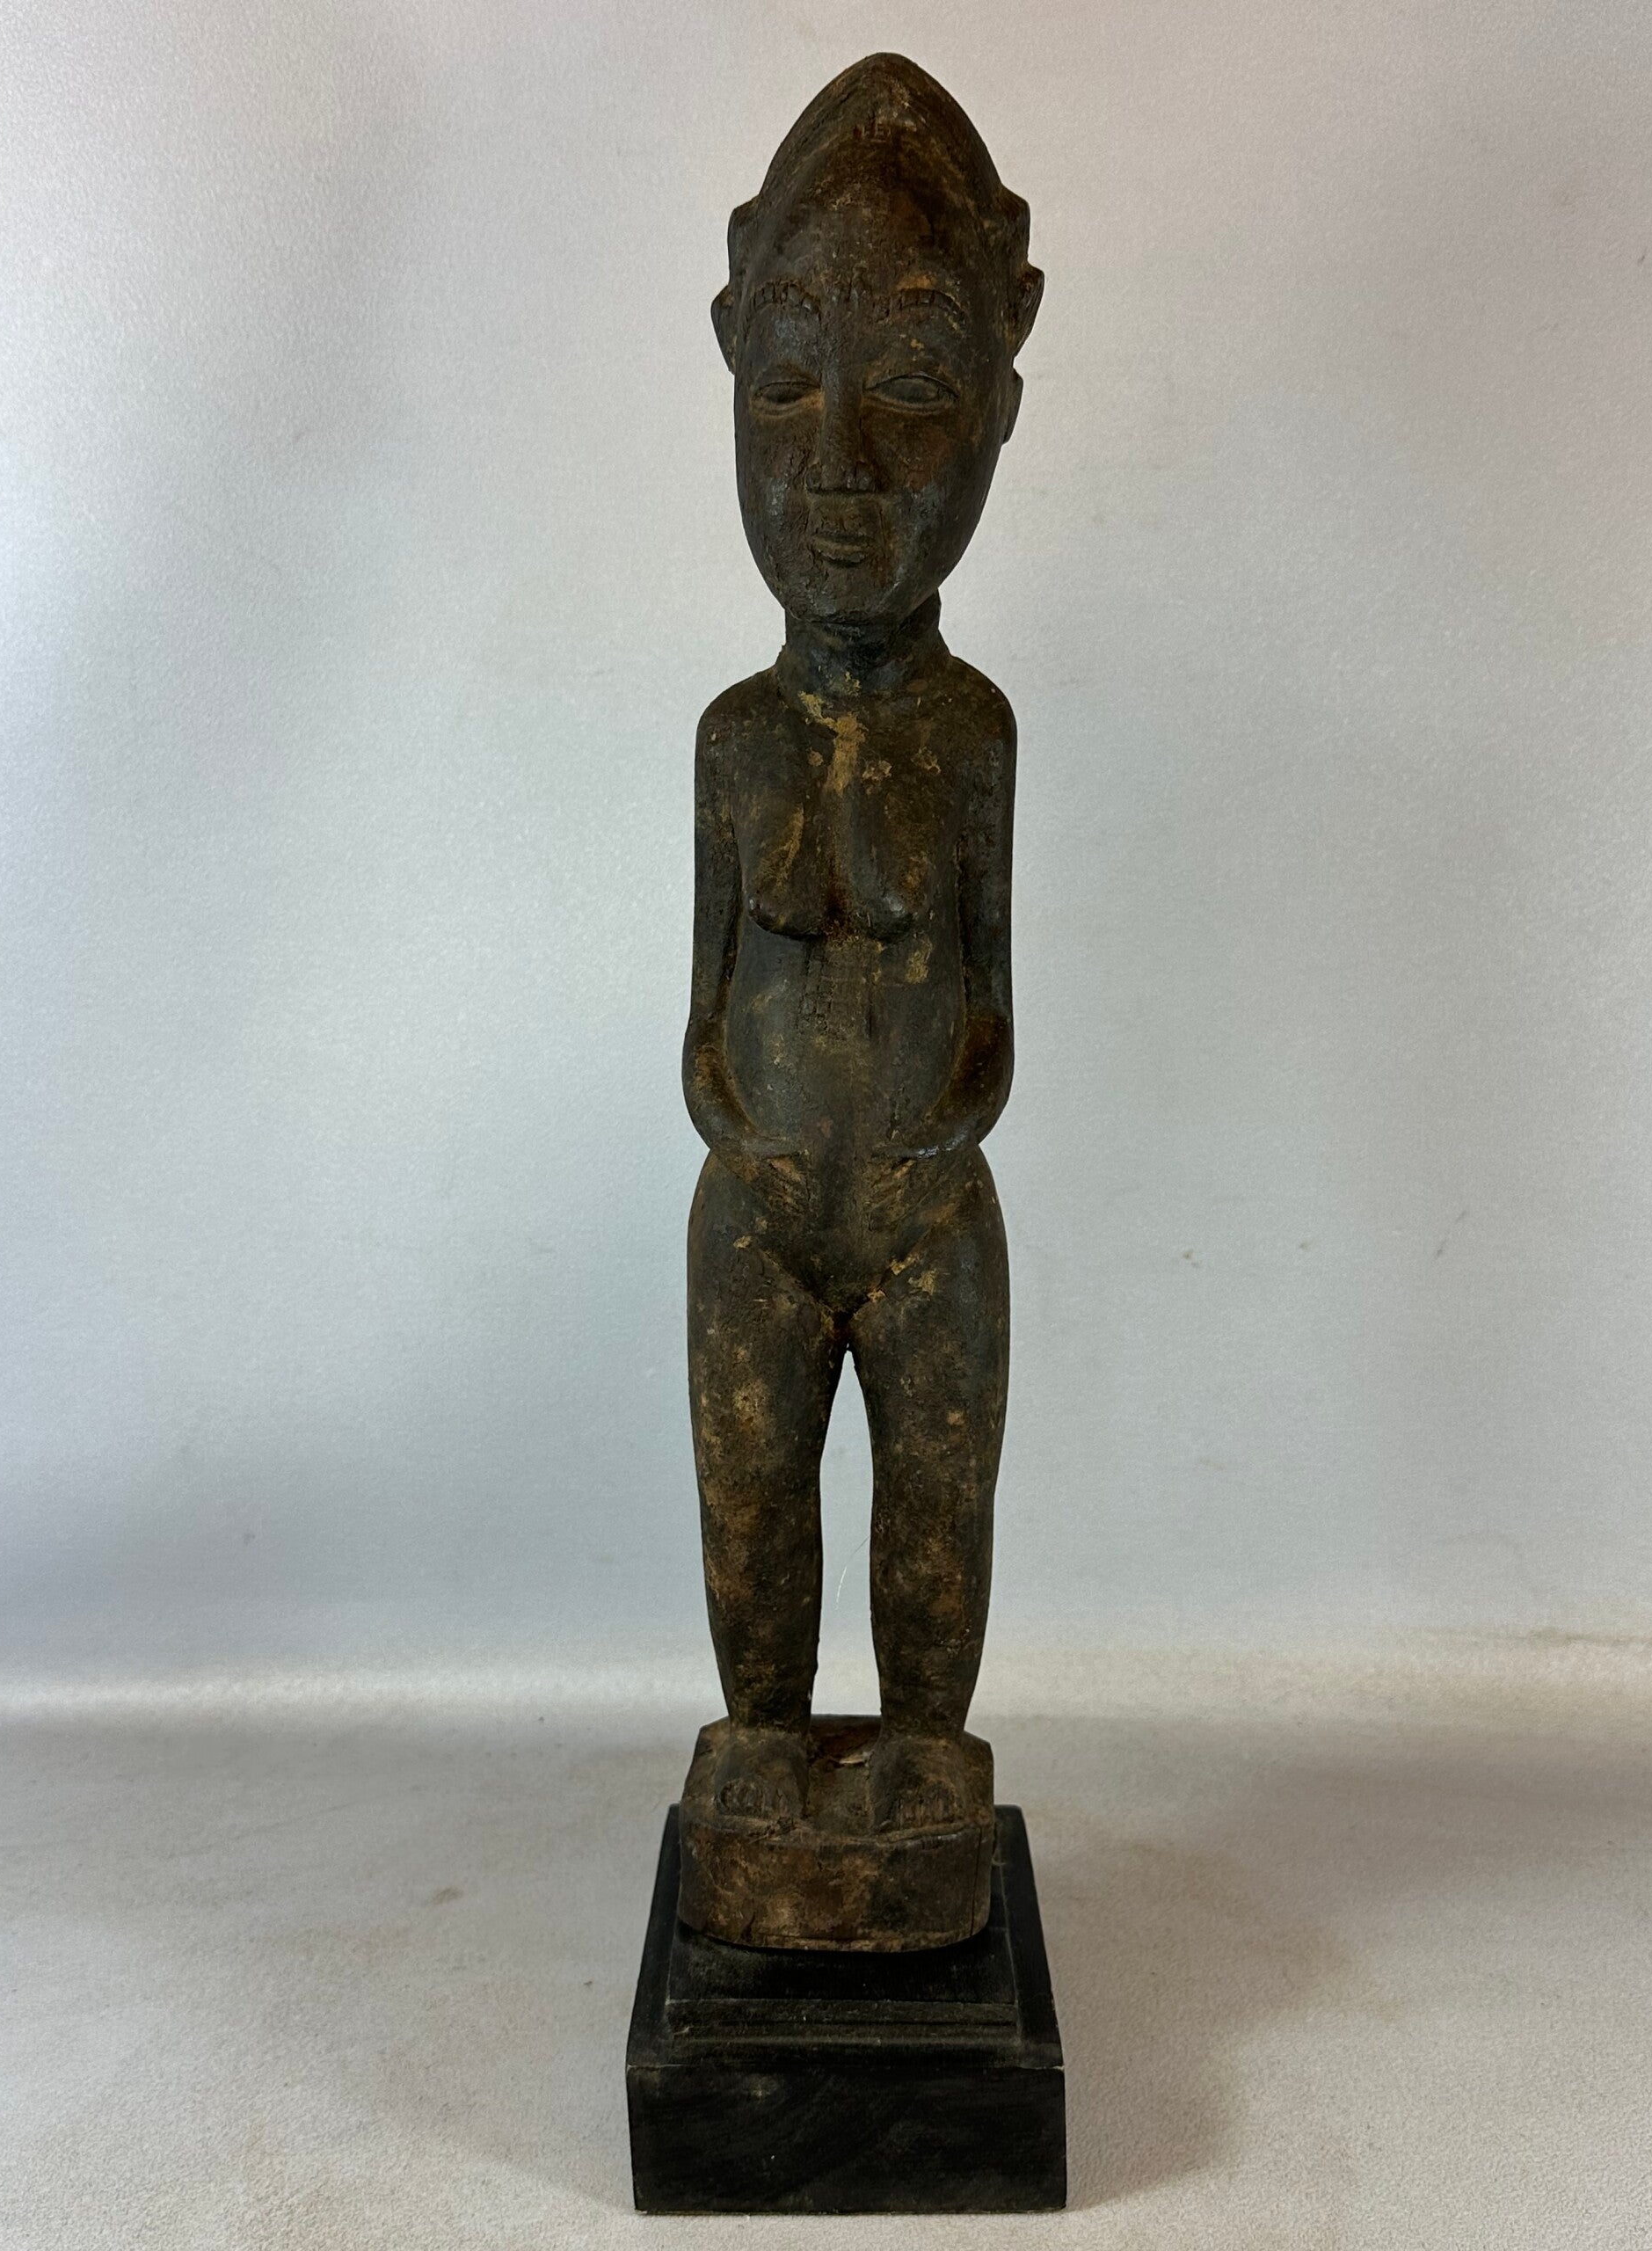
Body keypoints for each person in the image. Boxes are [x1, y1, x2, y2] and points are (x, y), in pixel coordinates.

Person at [683, 54, 1043, 1834]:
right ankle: (760, 1738)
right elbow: (701, 1009)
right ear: (731, 373)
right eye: (784, 387)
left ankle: (921, 1752)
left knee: (935, 1502)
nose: (835, 463)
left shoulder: (968, 731)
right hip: (757, 1209)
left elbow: (993, 1001)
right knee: (751, 1499)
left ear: (999, 407)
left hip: (922, 1217)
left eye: (909, 392)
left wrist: (945, 1119)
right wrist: (728, 1115)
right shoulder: (736, 736)